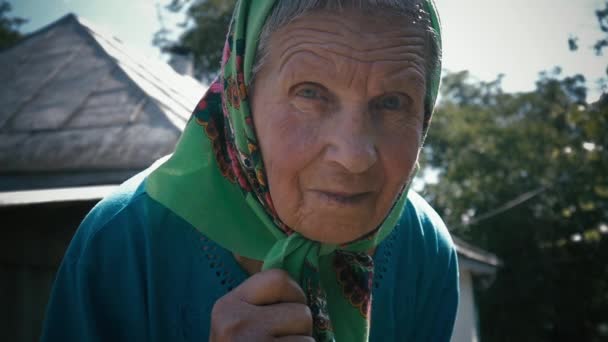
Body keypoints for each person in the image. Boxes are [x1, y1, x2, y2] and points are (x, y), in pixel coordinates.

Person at [41, 0, 458, 341]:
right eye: (310, 94)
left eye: (392, 103)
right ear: (241, 97)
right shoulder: (123, 241)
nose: (353, 155)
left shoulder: (422, 247)